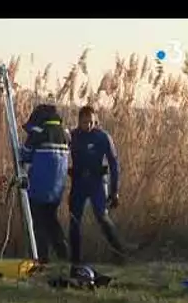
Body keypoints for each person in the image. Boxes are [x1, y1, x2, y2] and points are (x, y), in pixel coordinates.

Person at [68, 105, 126, 266]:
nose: (89, 126)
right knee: (74, 220)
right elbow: (60, 155)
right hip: (79, 183)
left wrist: (115, 192)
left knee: (102, 216)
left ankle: (120, 253)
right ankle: (75, 260)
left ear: (96, 121)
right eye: (85, 122)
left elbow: (114, 164)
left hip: (97, 183)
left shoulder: (102, 137)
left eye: (92, 122)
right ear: (79, 121)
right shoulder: (73, 136)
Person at [20, 104, 70, 264]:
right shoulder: (64, 134)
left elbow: (25, 155)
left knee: (38, 223)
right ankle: (64, 255)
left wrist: (20, 150)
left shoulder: (38, 133)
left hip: (38, 188)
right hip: (56, 190)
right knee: (51, 221)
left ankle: (42, 258)